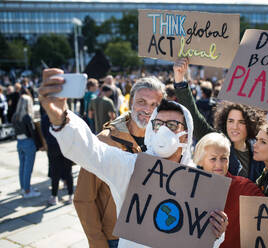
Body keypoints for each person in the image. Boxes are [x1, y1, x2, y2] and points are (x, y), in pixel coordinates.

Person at [39, 68, 227, 248]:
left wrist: (218, 233)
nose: (162, 130)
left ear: (186, 135)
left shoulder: (198, 181)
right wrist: (62, 119)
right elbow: (93, 152)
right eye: (158, 123)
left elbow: (206, 239)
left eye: (171, 124)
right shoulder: (133, 167)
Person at [74, 76, 165, 248]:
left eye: (155, 105)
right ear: (131, 102)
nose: (148, 109)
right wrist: (98, 243)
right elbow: (83, 198)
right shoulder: (103, 142)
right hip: (115, 238)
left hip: (152, 235)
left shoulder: (165, 144)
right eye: (142, 101)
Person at [173, 58, 266, 182]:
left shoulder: (258, 149)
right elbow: (194, 116)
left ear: (250, 124)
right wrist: (180, 81)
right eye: (231, 121)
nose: (234, 126)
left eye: (241, 122)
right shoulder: (215, 140)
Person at [193, 132, 264, 247]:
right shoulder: (189, 187)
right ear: (201, 160)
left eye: (224, 158)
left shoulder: (243, 187)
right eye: (213, 159)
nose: (219, 164)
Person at [40, 110, 74, 205]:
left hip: (53, 146)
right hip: (65, 145)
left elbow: (44, 133)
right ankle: (71, 195)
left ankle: (54, 197)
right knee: (68, 171)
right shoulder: (65, 115)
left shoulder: (46, 117)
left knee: (55, 172)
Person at [11, 94, 41, 198]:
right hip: (28, 142)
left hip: (19, 142)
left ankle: (24, 188)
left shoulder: (15, 116)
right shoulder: (27, 117)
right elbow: (32, 132)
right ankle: (27, 190)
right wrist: (39, 145)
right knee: (28, 168)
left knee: (22, 166)